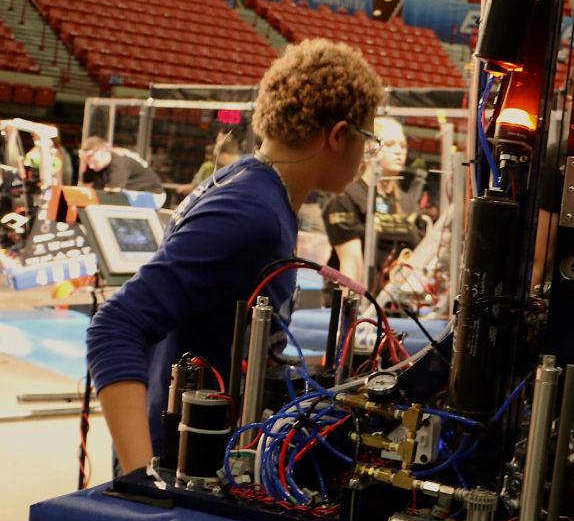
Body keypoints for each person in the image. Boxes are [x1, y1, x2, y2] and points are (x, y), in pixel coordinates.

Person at [86, 40, 384, 473]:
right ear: (339, 135)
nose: (366, 157)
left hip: (190, 449)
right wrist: (139, 480)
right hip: (177, 466)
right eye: (368, 142)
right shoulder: (251, 213)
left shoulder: (250, 184)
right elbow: (114, 327)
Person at [323, 116, 426, 291]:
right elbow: (351, 263)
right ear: (370, 148)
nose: (399, 151)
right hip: (361, 301)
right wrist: (353, 312)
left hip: (398, 305)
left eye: (402, 145)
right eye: (391, 144)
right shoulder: (347, 198)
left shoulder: (408, 204)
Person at [77, 136, 165, 195]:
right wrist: (84, 164)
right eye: (88, 162)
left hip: (152, 193)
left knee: (112, 200)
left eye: (94, 162)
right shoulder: (96, 164)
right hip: (131, 191)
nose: (91, 166)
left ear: (104, 152)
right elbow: (83, 189)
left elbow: (111, 196)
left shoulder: (119, 162)